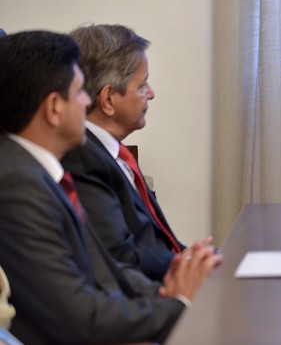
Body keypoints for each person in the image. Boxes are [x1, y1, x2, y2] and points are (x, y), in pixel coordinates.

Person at [0, 30, 222, 344]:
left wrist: (169, 295)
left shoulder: (35, 171)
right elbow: (82, 320)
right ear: (54, 108)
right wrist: (179, 304)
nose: (87, 101)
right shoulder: (17, 184)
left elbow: (106, 271)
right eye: (79, 92)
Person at [61, 24, 210, 281]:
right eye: (142, 86)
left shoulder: (117, 154)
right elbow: (120, 256)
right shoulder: (82, 161)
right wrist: (184, 264)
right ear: (109, 99)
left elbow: (155, 241)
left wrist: (195, 257)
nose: (151, 94)